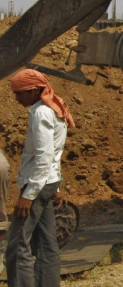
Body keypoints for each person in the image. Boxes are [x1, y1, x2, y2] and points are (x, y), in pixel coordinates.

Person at [6, 69, 73, 286]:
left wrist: (29, 194)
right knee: (46, 242)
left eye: (20, 93)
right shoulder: (54, 108)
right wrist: (55, 185)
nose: (16, 98)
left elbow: (44, 156)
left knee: (18, 245)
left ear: (35, 91)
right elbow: (55, 152)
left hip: (37, 184)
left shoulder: (42, 113)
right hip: (47, 182)